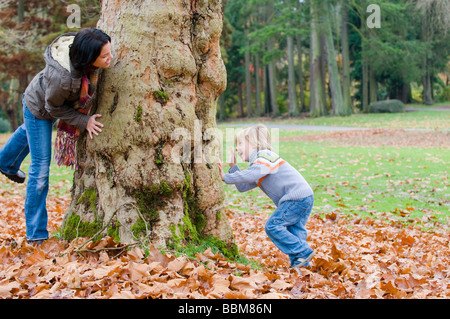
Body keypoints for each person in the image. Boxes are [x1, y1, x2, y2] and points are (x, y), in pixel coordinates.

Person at [0, 28, 112, 244]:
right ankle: (36, 236)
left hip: (46, 99)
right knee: (40, 171)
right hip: (39, 108)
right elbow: (53, 108)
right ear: (89, 59)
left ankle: (5, 162)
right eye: (105, 56)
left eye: (110, 52)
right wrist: (83, 120)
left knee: (28, 133)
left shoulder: (83, 55)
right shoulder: (63, 80)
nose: (111, 59)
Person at [218, 124, 315, 268]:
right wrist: (233, 167)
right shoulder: (258, 165)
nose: (237, 148)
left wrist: (226, 177)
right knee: (295, 230)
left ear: (254, 143)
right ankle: (301, 265)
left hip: (296, 198)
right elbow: (243, 187)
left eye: (240, 143)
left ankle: (303, 251)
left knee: (273, 226)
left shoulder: (264, 156)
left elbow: (254, 173)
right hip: (304, 197)